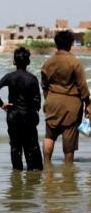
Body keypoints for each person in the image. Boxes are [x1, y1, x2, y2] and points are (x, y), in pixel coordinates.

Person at [39, 30, 91, 164]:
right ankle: (68, 171)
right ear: (71, 44)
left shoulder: (48, 62)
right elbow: (82, 87)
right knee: (69, 141)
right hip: (71, 105)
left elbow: (44, 85)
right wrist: (88, 104)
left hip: (52, 102)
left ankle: (47, 165)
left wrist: (49, 98)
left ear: (56, 44)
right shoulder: (75, 62)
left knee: (50, 135)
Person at [0, 46, 43, 170]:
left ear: (14, 62)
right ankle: (32, 172)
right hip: (28, 115)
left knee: (15, 146)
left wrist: (2, 104)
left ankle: (17, 173)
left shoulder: (9, 77)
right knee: (31, 146)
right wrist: (34, 113)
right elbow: (37, 102)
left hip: (13, 115)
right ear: (28, 62)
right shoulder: (33, 79)